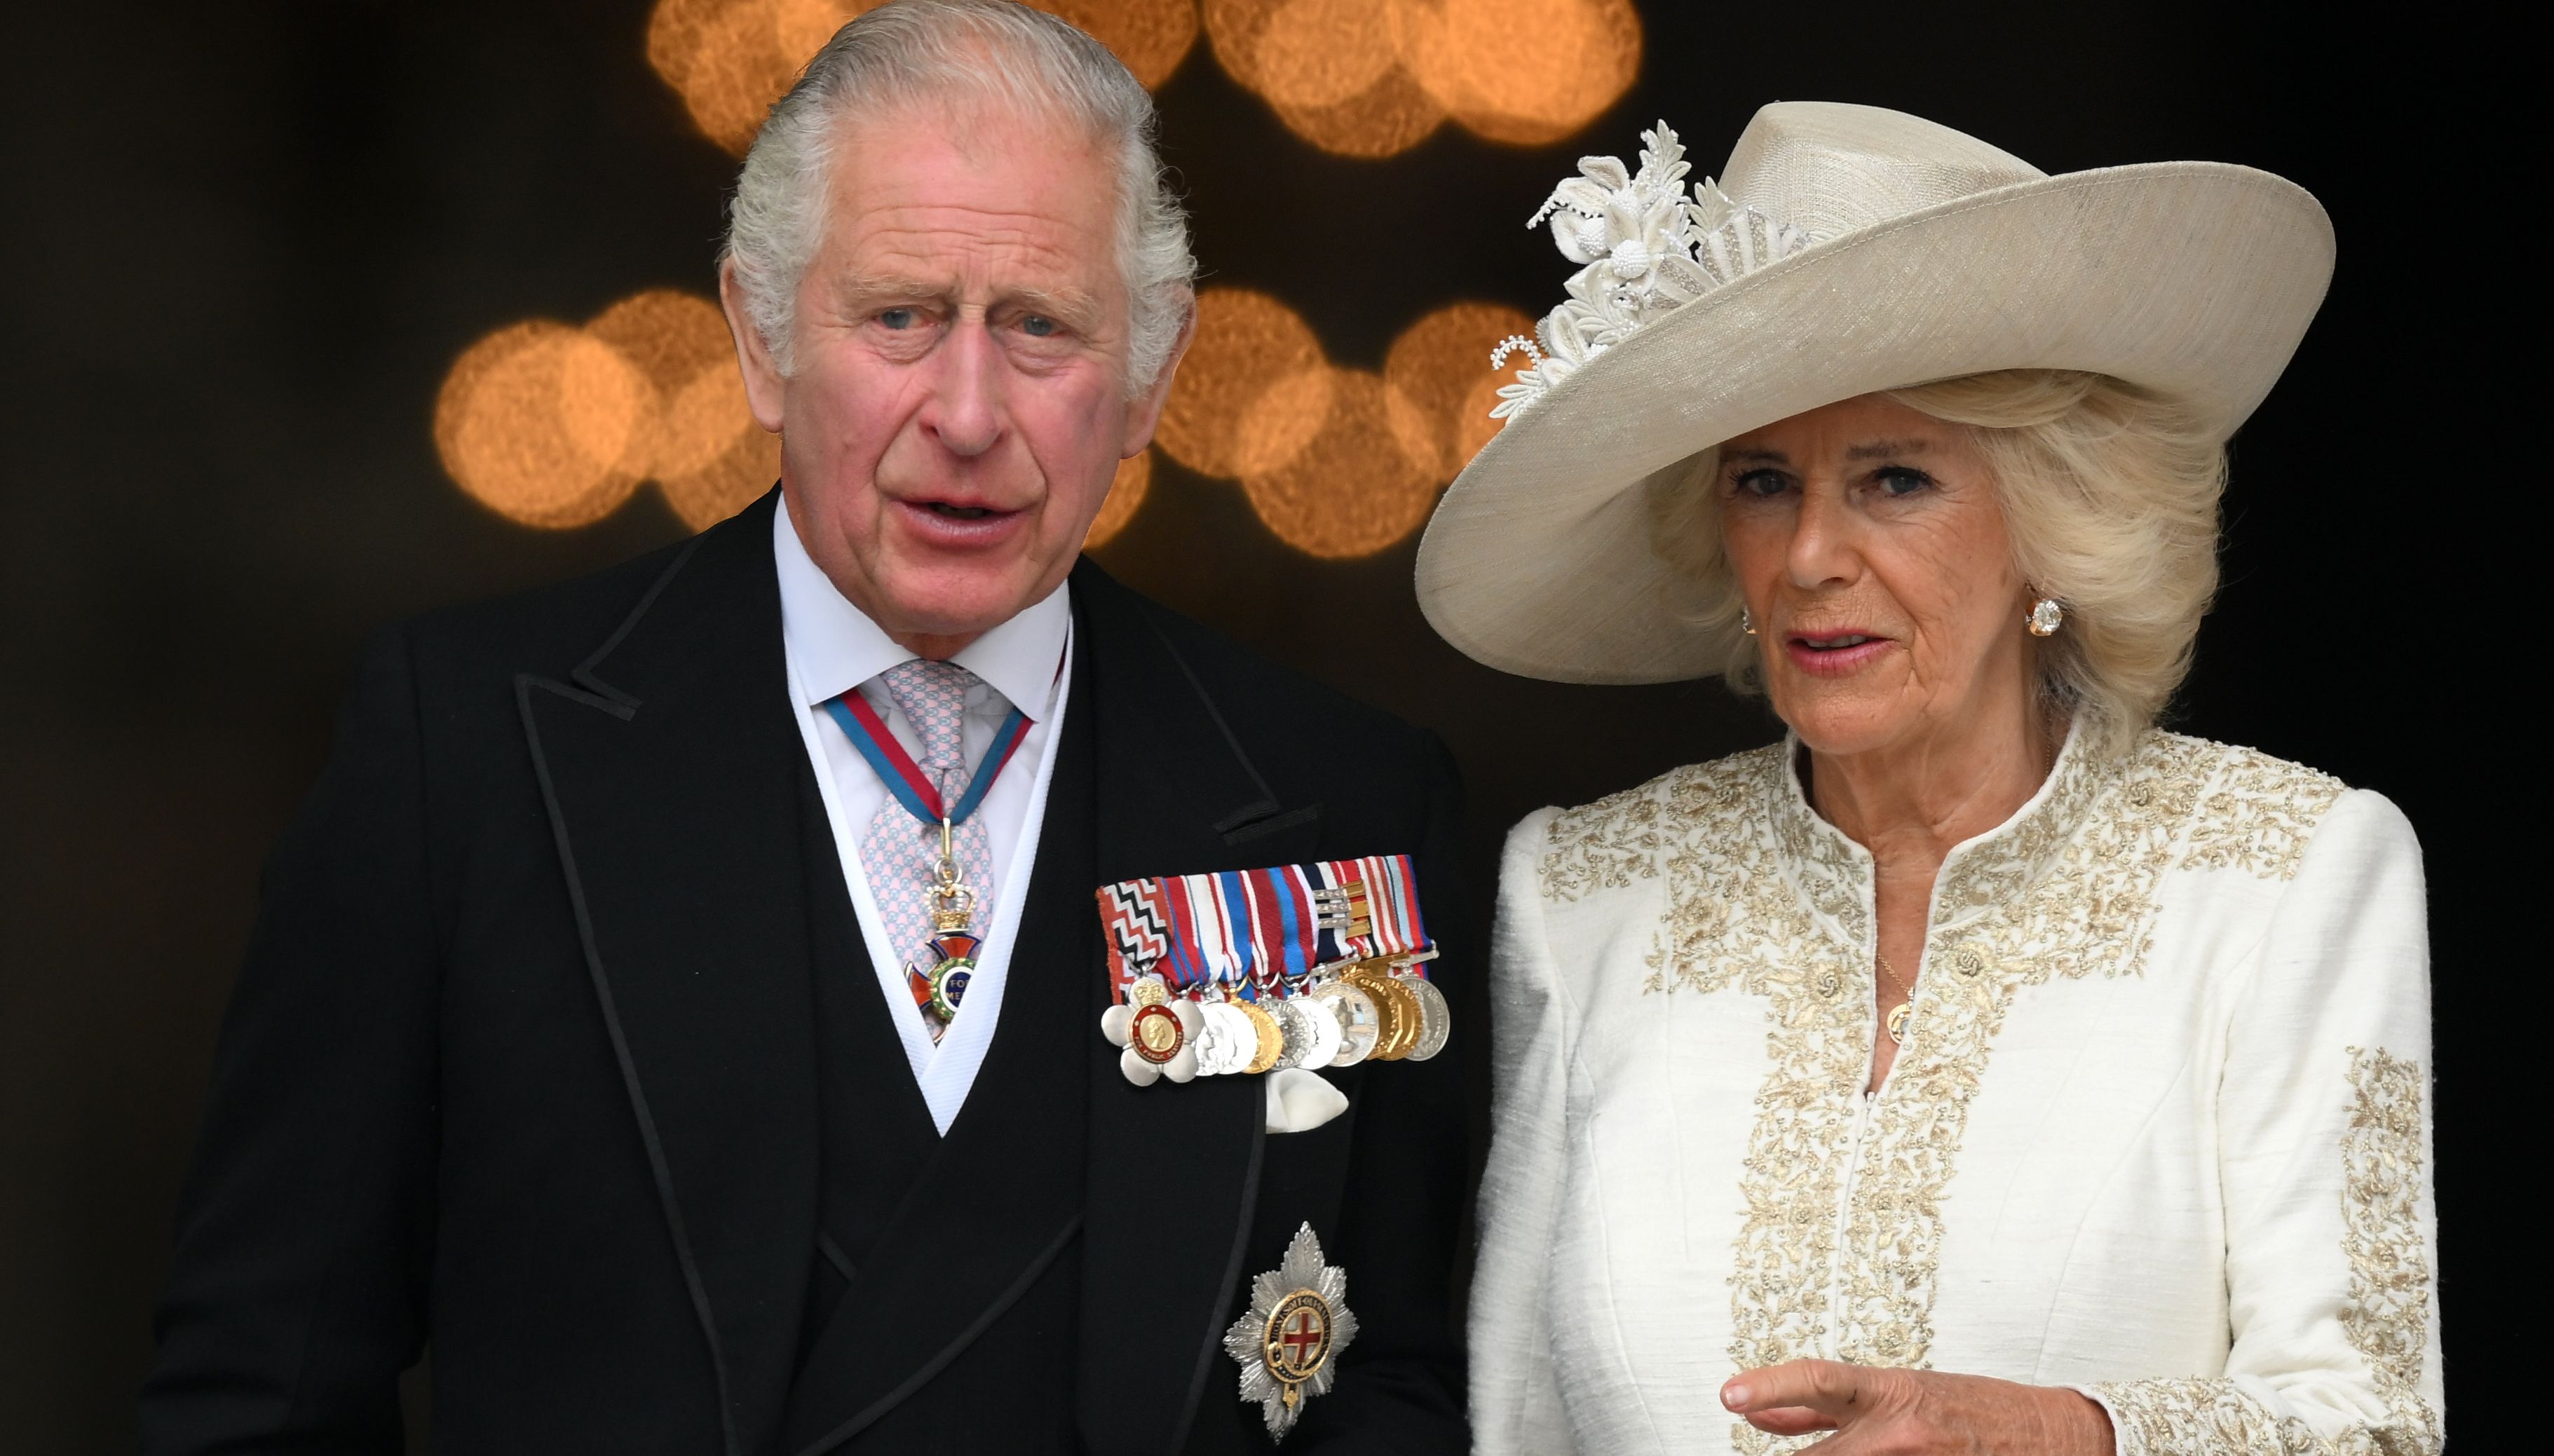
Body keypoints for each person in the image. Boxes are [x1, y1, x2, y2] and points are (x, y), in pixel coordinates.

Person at [140, 4, 1469, 1451]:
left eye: (1040, 326)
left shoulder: (1339, 799)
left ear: (1149, 376)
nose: (966, 411)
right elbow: (262, 1387)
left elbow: (1391, 1380)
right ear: (762, 342)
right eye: (900, 315)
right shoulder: (462, 755)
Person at [1419, 103, 2440, 1455]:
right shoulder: (1584, 891)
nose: (1810, 557)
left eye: (1896, 478)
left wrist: (2056, 1434)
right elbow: (1514, 1420)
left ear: (2051, 519)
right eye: (1764, 481)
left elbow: (2374, 1423)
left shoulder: (2288, 874)